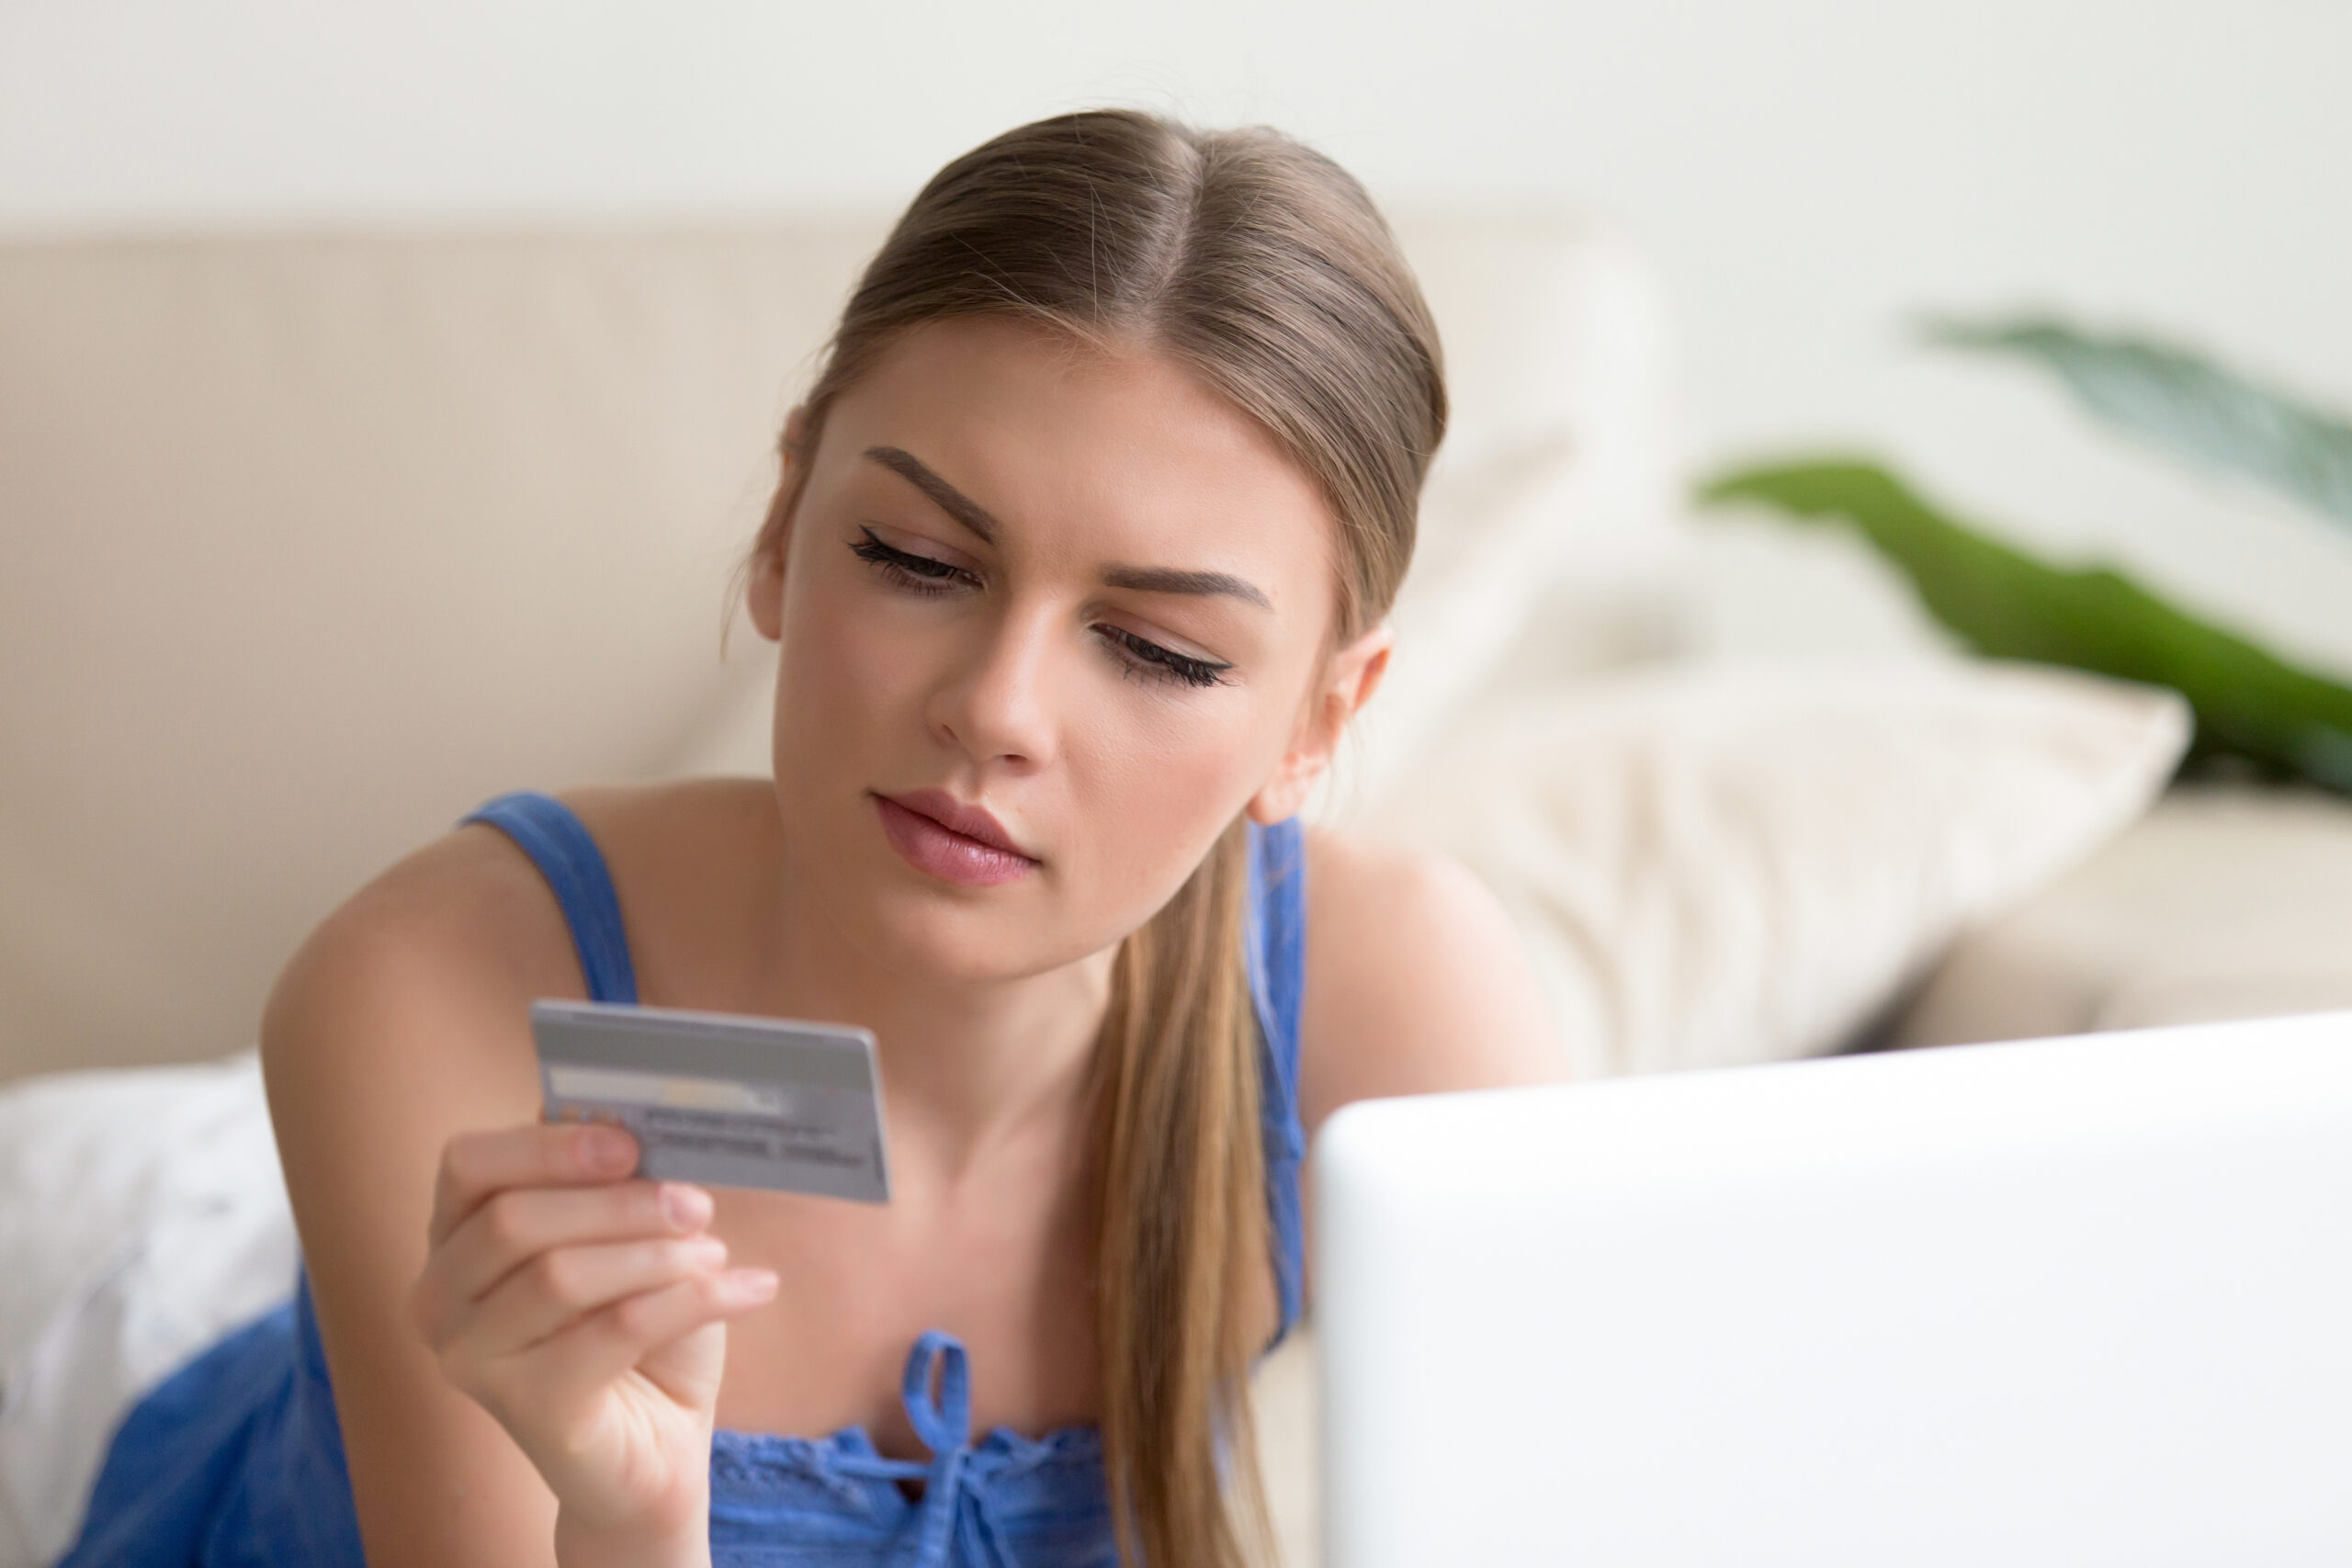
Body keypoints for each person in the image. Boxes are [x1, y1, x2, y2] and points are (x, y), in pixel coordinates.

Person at [62, 108, 1560, 1568]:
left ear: (1320, 719)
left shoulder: (1389, 1012)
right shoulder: (426, 987)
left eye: (1160, 651)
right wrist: (630, 1523)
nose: (995, 711)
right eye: (916, 559)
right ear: (784, 525)